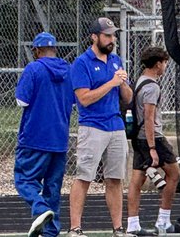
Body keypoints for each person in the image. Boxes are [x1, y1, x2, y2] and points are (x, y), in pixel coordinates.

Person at [68, 17, 132, 237]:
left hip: (116, 125)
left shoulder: (116, 61)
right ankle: (75, 228)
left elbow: (128, 97)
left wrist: (122, 83)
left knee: (115, 179)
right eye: (107, 35)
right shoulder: (81, 63)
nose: (112, 39)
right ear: (94, 37)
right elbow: (84, 98)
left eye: (113, 35)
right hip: (92, 126)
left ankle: (118, 228)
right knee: (84, 176)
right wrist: (110, 83)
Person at [15, 32, 74, 237]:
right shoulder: (68, 70)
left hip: (35, 136)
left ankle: (40, 209)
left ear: (36, 51)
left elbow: (22, 101)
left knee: (24, 180)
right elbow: (73, 101)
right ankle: (51, 231)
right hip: (59, 138)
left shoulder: (34, 69)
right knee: (53, 187)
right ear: (54, 49)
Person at [126, 46, 180, 237]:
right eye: (165, 63)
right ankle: (163, 221)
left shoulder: (139, 81)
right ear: (158, 64)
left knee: (137, 180)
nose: (165, 66)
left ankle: (133, 224)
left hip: (138, 137)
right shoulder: (151, 86)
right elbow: (149, 118)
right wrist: (152, 148)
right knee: (174, 174)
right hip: (152, 138)